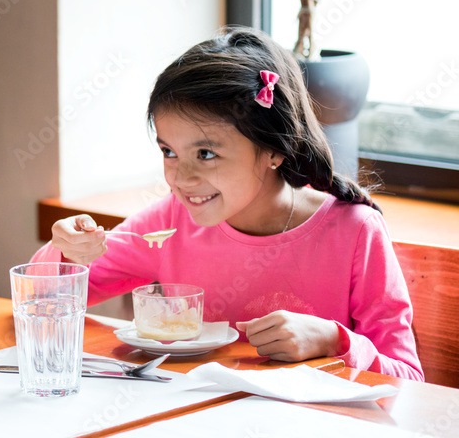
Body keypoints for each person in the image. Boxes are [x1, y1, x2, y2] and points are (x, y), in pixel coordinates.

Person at [34, 27, 423, 381]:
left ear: (273, 148)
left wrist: (335, 342)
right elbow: (42, 299)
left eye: (205, 154)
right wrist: (69, 249)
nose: (181, 178)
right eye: (169, 151)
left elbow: (408, 380)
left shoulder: (355, 232)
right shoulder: (172, 221)